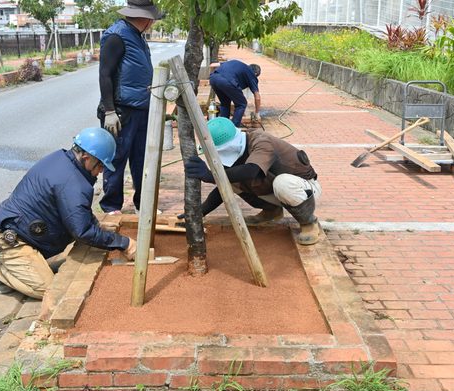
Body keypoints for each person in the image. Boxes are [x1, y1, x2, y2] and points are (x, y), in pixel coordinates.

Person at [0, 128, 138, 297]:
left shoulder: (62, 160)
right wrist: (124, 244)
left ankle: (28, 265)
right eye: (100, 164)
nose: (101, 171)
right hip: (12, 241)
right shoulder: (73, 183)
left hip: (28, 234)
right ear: (87, 157)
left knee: (59, 269)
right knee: (52, 291)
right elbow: (82, 231)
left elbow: (76, 211)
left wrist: (97, 226)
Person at [184, 117, 322, 245]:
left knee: (282, 183)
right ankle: (272, 211)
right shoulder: (234, 153)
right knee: (231, 178)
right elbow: (224, 186)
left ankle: (309, 223)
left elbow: (252, 170)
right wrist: (199, 212)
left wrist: (210, 175)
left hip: (305, 189)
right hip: (275, 189)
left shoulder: (261, 141)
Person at [97, 0, 163, 215]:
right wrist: (109, 111)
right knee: (116, 159)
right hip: (121, 110)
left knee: (141, 160)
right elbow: (105, 74)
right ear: (145, 17)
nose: (153, 22)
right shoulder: (116, 36)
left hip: (142, 109)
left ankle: (142, 204)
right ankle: (111, 207)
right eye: (152, 18)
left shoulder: (137, 36)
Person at [209, 60, 261, 127]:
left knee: (225, 104)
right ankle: (234, 129)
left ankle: (223, 127)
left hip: (213, 78)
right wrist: (257, 113)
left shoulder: (237, 64)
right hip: (227, 82)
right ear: (256, 74)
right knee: (241, 104)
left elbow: (212, 65)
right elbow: (257, 97)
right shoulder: (251, 74)